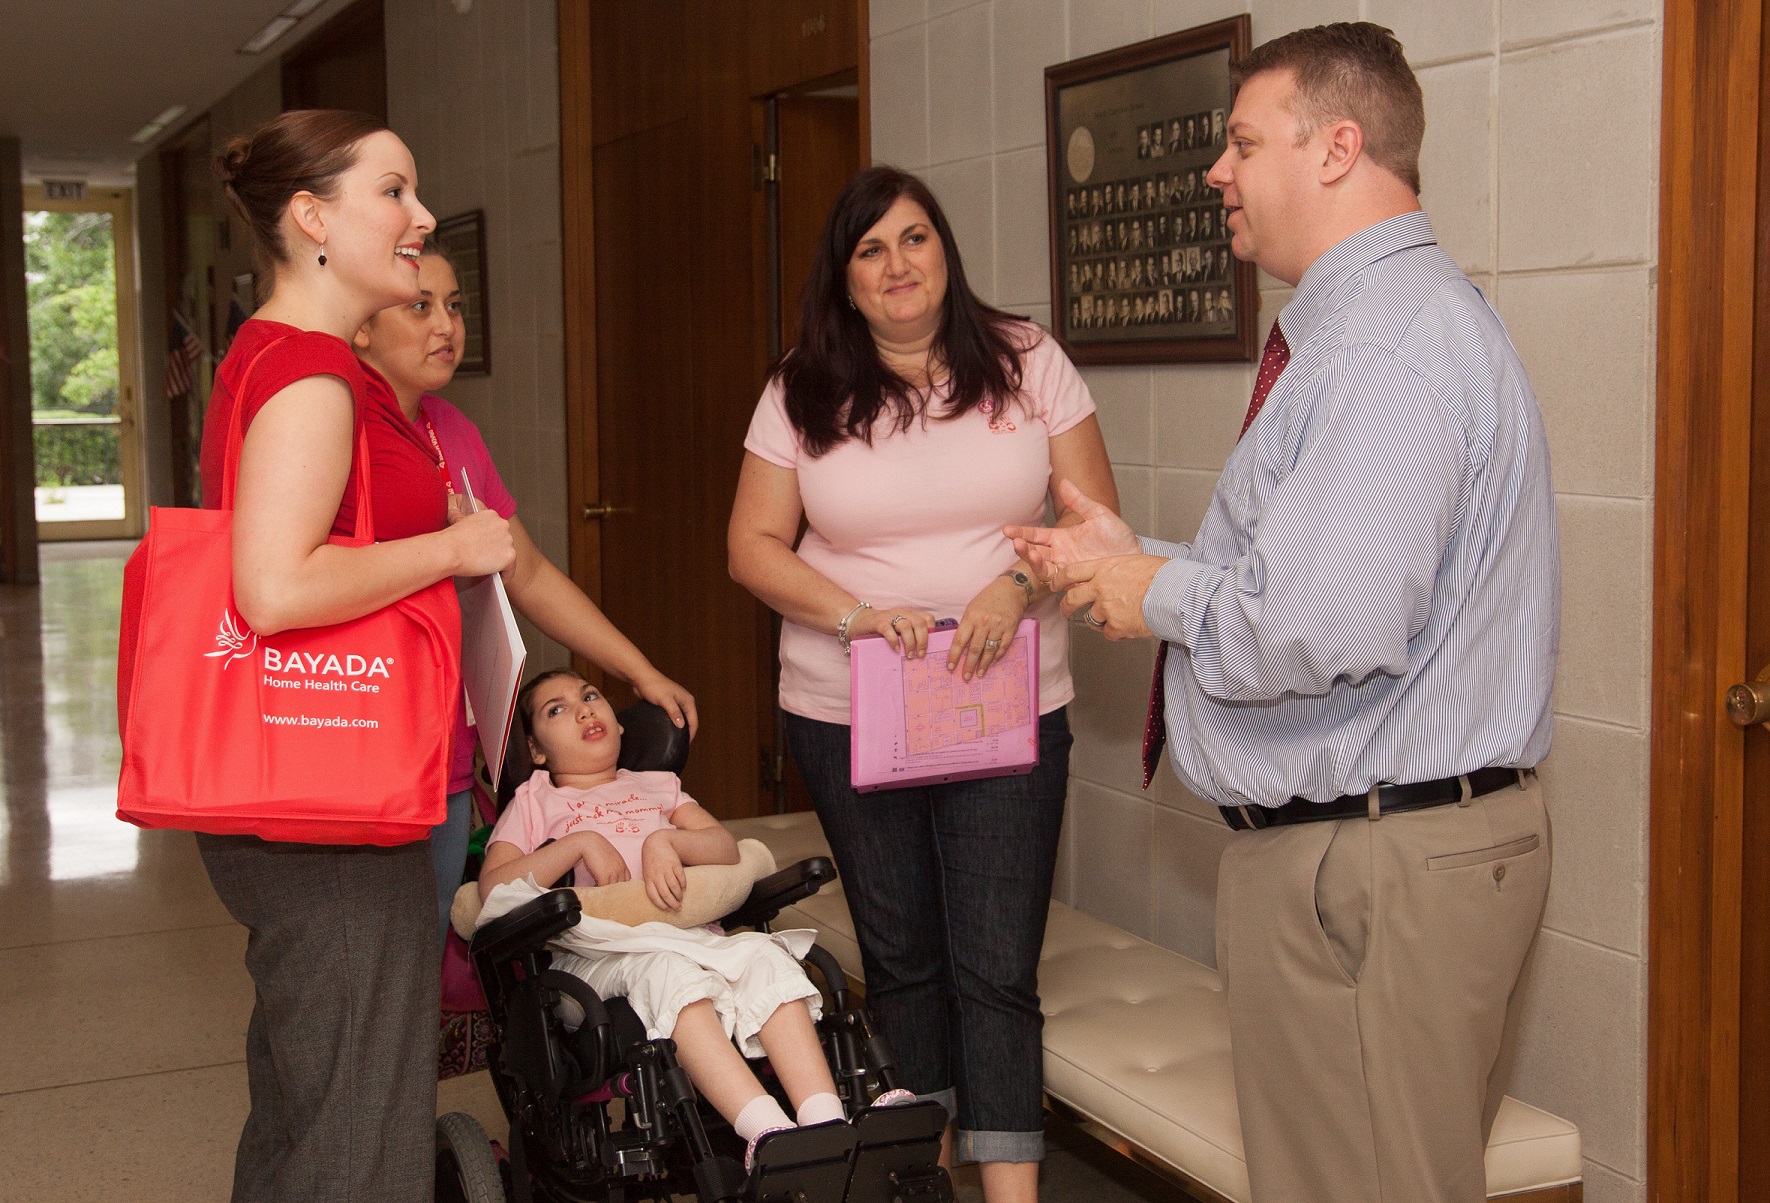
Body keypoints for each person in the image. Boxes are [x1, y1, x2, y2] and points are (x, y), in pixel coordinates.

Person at [1008, 23, 1556, 1203]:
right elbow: (1305, 577)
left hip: (1371, 866)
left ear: (1337, 149)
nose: (1216, 172)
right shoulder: (1377, 330)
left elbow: (1320, 623)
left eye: (1244, 142)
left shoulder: (1385, 350)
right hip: (1388, 847)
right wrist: (1135, 557)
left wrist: (1151, 591)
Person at [727, 165, 1117, 1203]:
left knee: (996, 968)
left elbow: (1093, 520)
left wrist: (1016, 581)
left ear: (946, 251)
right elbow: (753, 549)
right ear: (845, 281)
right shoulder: (799, 390)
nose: (897, 265)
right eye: (871, 249)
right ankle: (923, 1182)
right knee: (902, 962)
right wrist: (854, 617)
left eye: (914, 239)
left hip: (1008, 710)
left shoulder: (1028, 362)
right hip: (850, 712)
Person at [198, 109, 517, 1202]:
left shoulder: (281, 358)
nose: (421, 217)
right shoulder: (310, 377)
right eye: (394, 191)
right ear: (313, 219)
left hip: (302, 799)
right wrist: (453, 546)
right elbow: (274, 587)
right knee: (357, 1127)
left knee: (308, 1100)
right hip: (326, 809)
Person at [353, 243, 699, 941]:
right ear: (361, 324)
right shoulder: (341, 425)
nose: (446, 326)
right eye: (421, 306)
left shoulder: (453, 432)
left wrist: (640, 670)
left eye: (454, 306)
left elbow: (530, 574)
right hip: (357, 732)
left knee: (418, 953)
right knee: (358, 961)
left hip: (441, 743)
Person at [477, 669, 905, 1166]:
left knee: (766, 957)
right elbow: (493, 887)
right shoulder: (535, 799)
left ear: (620, 727)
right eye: (557, 709)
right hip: (599, 958)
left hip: (693, 938)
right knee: (670, 973)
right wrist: (580, 842)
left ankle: (826, 1125)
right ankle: (767, 1135)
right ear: (536, 751)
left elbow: (724, 847)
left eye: (590, 696)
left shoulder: (659, 787)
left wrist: (667, 840)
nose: (584, 710)